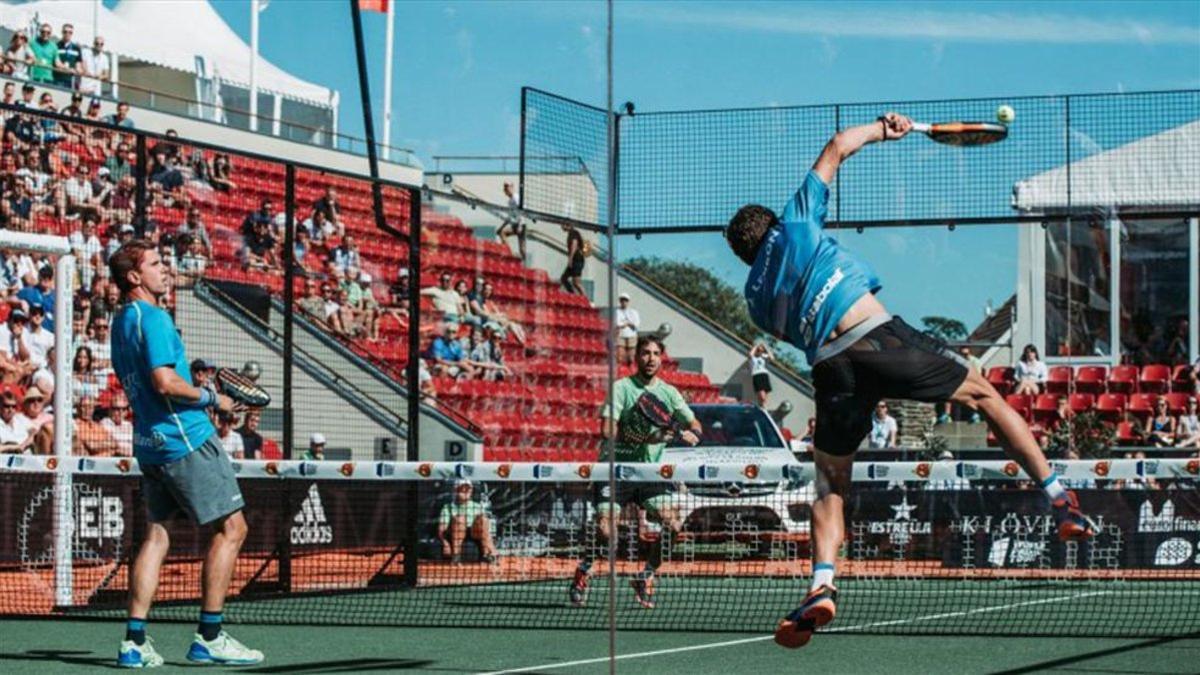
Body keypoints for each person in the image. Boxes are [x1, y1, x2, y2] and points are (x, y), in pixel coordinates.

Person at [722, 111, 1095, 650]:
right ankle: (1060, 499)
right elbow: (836, 147)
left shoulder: (756, 303)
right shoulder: (796, 225)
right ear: (773, 228)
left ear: (742, 256)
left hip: (831, 370)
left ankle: (822, 584)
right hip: (877, 338)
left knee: (829, 484)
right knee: (985, 394)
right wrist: (882, 129)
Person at [108, 239, 263, 667]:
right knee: (232, 530)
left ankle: (133, 643)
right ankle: (209, 636)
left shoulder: (121, 321)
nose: (166, 268)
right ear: (134, 277)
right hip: (185, 441)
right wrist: (214, 399)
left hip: (150, 445)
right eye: (156, 263)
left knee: (157, 536)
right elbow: (164, 382)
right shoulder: (154, 318)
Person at [568, 335, 702, 610]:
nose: (650, 358)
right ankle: (584, 569)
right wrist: (647, 438)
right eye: (645, 353)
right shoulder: (622, 389)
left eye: (655, 353)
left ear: (661, 358)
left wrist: (691, 433)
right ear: (636, 357)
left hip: (650, 474)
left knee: (674, 526)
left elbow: (695, 422)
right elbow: (606, 430)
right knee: (607, 532)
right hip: (615, 470)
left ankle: (645, 576)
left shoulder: (669, 393)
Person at [436, 479, 497, 564]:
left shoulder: (477, 506)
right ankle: (456, 556)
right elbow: (442, 529)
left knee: (483, 519)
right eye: (462, 488)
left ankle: (486, 555)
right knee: (460, 518)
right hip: (455, 534)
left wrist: (492, 547)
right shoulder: (448, 507)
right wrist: (445, 543)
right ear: (456, 490)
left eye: (468, 489)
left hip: (474, 533)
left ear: (471, 490)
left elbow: (486, 530)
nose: (465, 491)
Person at [495, 182, 527, 261]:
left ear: (512, 187)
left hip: (521, 225)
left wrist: (520, 225)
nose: (506, 190)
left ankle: (522, 264)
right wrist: (501, 227)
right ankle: (510, 253)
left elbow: (522, 212)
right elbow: (509, 218)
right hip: (515, 225)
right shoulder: (510, 202)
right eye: (505, 189)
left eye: (507, 188)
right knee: (502, 233)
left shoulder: (516, 198)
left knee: (522, 250)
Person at [615, 293, 641, 366]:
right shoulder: (617, 312)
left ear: (628, 301)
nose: (624, 302)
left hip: (632, 335)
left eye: (625, 300)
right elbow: (618, 324)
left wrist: (626, 324)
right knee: (620, 356)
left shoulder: (634, 312)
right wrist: (628, 324)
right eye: (622, 300)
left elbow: (636, 324)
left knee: (631, 357)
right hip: (621, 335)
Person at [561, 222, 586, 296]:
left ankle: (585, 299)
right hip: (576, 260)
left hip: (577, 260)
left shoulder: (573, 233)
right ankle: (573, 295)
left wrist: (570, 258)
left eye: (562, 225)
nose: (561, 227)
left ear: (568, 225)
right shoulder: (571, 233)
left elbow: (574, 245)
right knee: (564, 278)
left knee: (576, 282)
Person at [748, 342, 774, 408]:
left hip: (765, 374)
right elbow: (750, 354)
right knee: (762, 397)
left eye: (761, 350)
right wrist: (756, 346)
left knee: (765, 394)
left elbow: (772, 358)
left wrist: (766, 347)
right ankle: (761, 405)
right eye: (758, 350)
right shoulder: (752, 357)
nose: (760, 351)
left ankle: (762, 407)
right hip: (756, 375)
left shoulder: (763, 356)